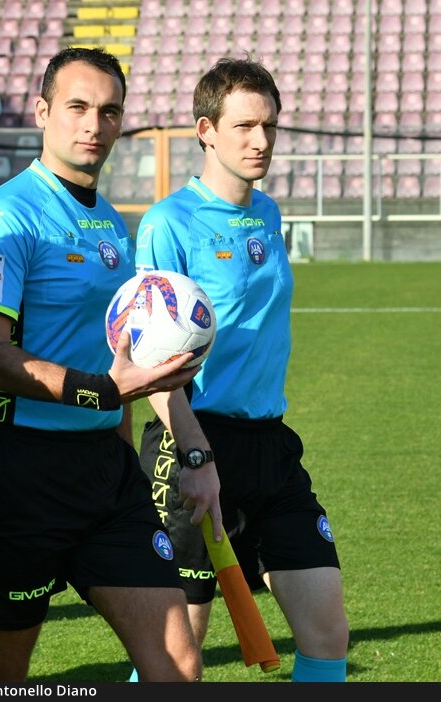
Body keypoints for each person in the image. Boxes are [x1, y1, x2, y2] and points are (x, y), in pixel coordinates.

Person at [0, 46, 204, 683]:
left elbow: (115, 361)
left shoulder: (113, 226)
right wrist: (102, 392)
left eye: (109, 111)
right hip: (16, 469)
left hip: (105, 474)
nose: (94, 124)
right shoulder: (5, 216)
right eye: (78, 107)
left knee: (178, 661)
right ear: (42, 112)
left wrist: (125, 442)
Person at [133, 55, 349, 682]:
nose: (261, 142)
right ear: (206, 131)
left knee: (327, 631)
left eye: (270, 127)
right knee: (177, 654)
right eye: (245, 126)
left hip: (270, 445)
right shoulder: (169, 223)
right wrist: (196, 457)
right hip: (192, 444)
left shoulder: (269, 214)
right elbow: (150, 363)